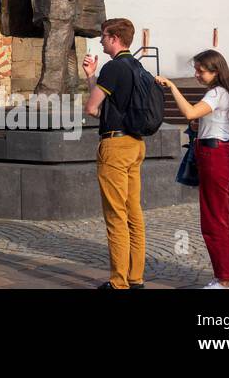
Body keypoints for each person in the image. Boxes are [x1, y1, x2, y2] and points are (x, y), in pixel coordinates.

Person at [156, 51, 229, 289]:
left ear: (215, 71)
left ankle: (226, 280)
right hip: (220, 154)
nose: (196, 74)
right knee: (223, 220)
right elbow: (201, 119)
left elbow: (190, 113)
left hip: (216, 158)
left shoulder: (217, 92)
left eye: (201, 71)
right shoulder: (222, 93)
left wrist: (172, 87)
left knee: (215, 222)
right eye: (196, 70)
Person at [82, 17, 145, 290]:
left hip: (115, 146)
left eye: (103, 36)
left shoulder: (113, 68)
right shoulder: (137, 66)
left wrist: (95, 82)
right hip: (136, 144)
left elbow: (93, 109)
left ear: (114, 38)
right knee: (134, 213)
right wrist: (91, 78)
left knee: (115, 215)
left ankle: (118, 282)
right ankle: (136, 278)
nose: (101, 40)